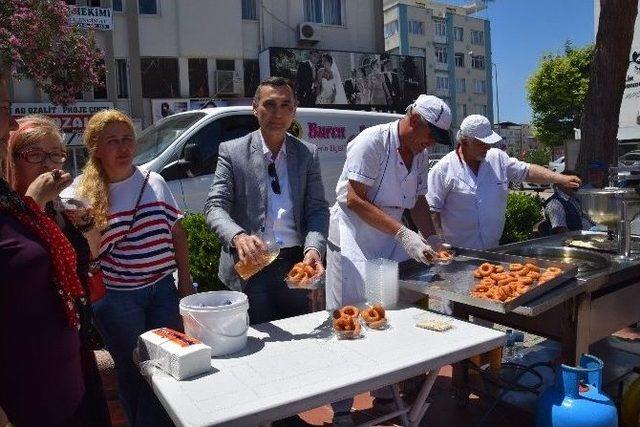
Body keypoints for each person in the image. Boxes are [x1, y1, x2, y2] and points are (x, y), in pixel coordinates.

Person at [325, 94, 451, 422]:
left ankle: (384, 394)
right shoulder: (372, 142)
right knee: (348, 320)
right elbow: (353, 198)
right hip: (353, 238)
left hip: (388, 237)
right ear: (413, 119)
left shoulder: (419, 154)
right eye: (428, 136)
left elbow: (419, 200)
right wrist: (403, 234)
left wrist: (432, 237)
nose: (429, 145)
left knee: (386, 312)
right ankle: (342, 409)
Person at [69, 109, 194, 426]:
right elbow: (88, 253)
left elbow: (177, 234)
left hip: (163, 291)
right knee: (132, 370)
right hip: (117, 298)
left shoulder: (154, 181)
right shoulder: (79, 193)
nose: (123, 148)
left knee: (167, 368)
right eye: (112, 141)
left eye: (127, 139)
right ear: (95, 147)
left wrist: (184, 285)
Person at [4, 115, 111, 426]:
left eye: (55, 155)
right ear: (11, 161)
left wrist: (88, 225)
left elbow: (90, 259)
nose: (47, 165)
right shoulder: (10, 218)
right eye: (35, 155)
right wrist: (33, 202)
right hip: (33, 363)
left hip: (74, 346)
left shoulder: (61, 209)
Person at [204, 77, 329, 325]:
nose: (278, 113)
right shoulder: (232, 151)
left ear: (294, 110)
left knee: (299, 339)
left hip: (296, 264)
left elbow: (317, 209)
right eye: (270, 104)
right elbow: (214, 206)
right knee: (256, 345)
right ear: (255, 107)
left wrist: (314, 248)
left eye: (285, 105)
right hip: (251, 267)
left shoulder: (307, 154)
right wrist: (238, 236)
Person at [427, 114, 581, 250]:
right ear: (464, 142)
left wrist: (560, 178)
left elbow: (527, 170)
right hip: (457, 253)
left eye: (489, 142)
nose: (487, 147)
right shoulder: (443, 169)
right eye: (481, 143)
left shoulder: (497, 158)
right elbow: (433, 211)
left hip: (493, 249)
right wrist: (439, 243)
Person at [543, 169, 595, 234]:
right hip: (575, 240)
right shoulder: (555, 204)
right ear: (559, 184)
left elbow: (585, 218)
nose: (575, 185)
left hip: (588, 233)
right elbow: (561, 232)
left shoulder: (573, 199)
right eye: (571, 182)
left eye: (577, 183)